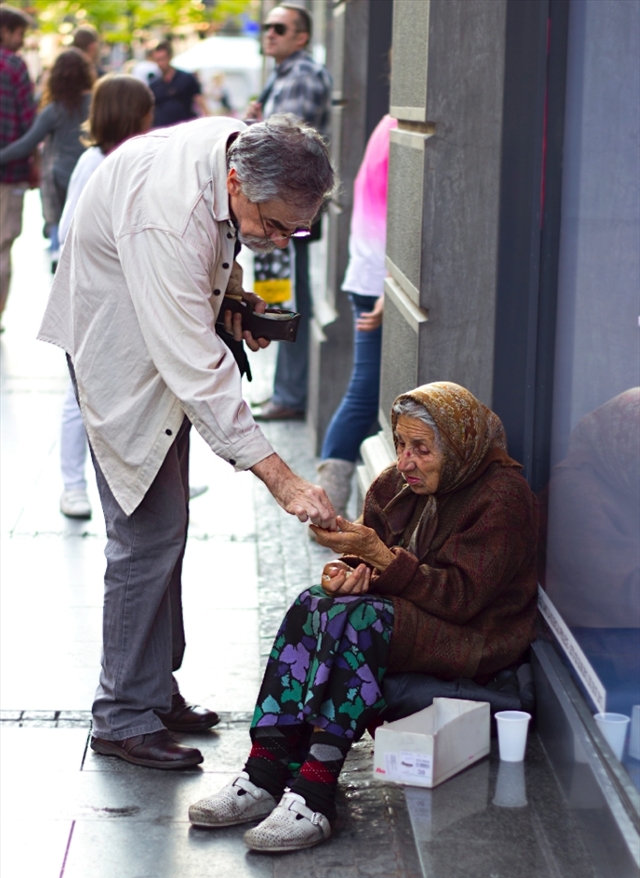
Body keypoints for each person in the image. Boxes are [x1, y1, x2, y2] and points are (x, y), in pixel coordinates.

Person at [38, 114, 338, 771]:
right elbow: (198, 368)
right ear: (237, 182)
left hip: (156, 327)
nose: (280, 239)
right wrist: (282, 481)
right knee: (146, 531)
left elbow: (210, 262)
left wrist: (230, 300)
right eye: (277, 223)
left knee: (167, 524)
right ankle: (121, 715)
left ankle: (149, 692)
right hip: (116, 348)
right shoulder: (168, 213)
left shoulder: (241, 150)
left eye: (296, 228)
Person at [188, 381, 539, 852]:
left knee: (362, 622)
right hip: (411, 613)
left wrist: (379, 558)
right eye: (400, 444)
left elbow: (461, 598)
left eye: (422, 449)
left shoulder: (503, 496)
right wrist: (348, 573)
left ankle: (314, 791)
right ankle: (264, 769)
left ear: (458, 445)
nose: (406, 461)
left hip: (472, 637)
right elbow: (372, 563)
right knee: (314, 603)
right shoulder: (396, 485)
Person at [57, 74, 155, 521]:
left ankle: (147, 476)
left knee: (136, 393)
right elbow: (67, 232)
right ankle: (72, 485)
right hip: (92, 299)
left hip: (129, 300)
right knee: (81, 396)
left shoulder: (143, 161)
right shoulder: (92, 162)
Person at [248, 3, 332, 422]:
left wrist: (253, 129)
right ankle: (285, 392)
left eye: (279, 28)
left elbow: (286, 146)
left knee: (290, 298)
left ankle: (290, 395)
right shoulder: (285, 74)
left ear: (301, 37)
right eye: (266, 27)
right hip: (280, 212)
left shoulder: (300, 75)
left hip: (288, 214)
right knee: (280, 292)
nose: (270, 33)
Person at [315, 113, 397, 515]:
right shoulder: (399, 128)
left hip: (370, 275)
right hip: (375, 280)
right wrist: (390, 286)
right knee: (365, 394)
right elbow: (394, 217)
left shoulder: (387, 124)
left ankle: (331, 502)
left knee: (367, 392)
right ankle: (328, 504)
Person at [0, 47, 94, 272]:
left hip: (60, 176)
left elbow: (27, 143)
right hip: (90, 174)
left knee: (64, 225)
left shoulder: (54, 110)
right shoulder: (95, 103)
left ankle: (62, 262)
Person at [0, 4, 36, 323]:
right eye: (20, 33)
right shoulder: (14, 65)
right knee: (2, 245)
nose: (22, 40)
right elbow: (29, 122)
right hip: (8, 174)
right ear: (5, 31)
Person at [149, 40, 208, 128]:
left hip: (185, 127)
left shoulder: (187, 78)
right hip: (163, 129)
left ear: (170, 57)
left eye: (163, 59)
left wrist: (208, 119)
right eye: (158, 60)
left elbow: (199, 100)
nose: (161, 63)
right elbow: (151, 109)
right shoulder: (154, 84)